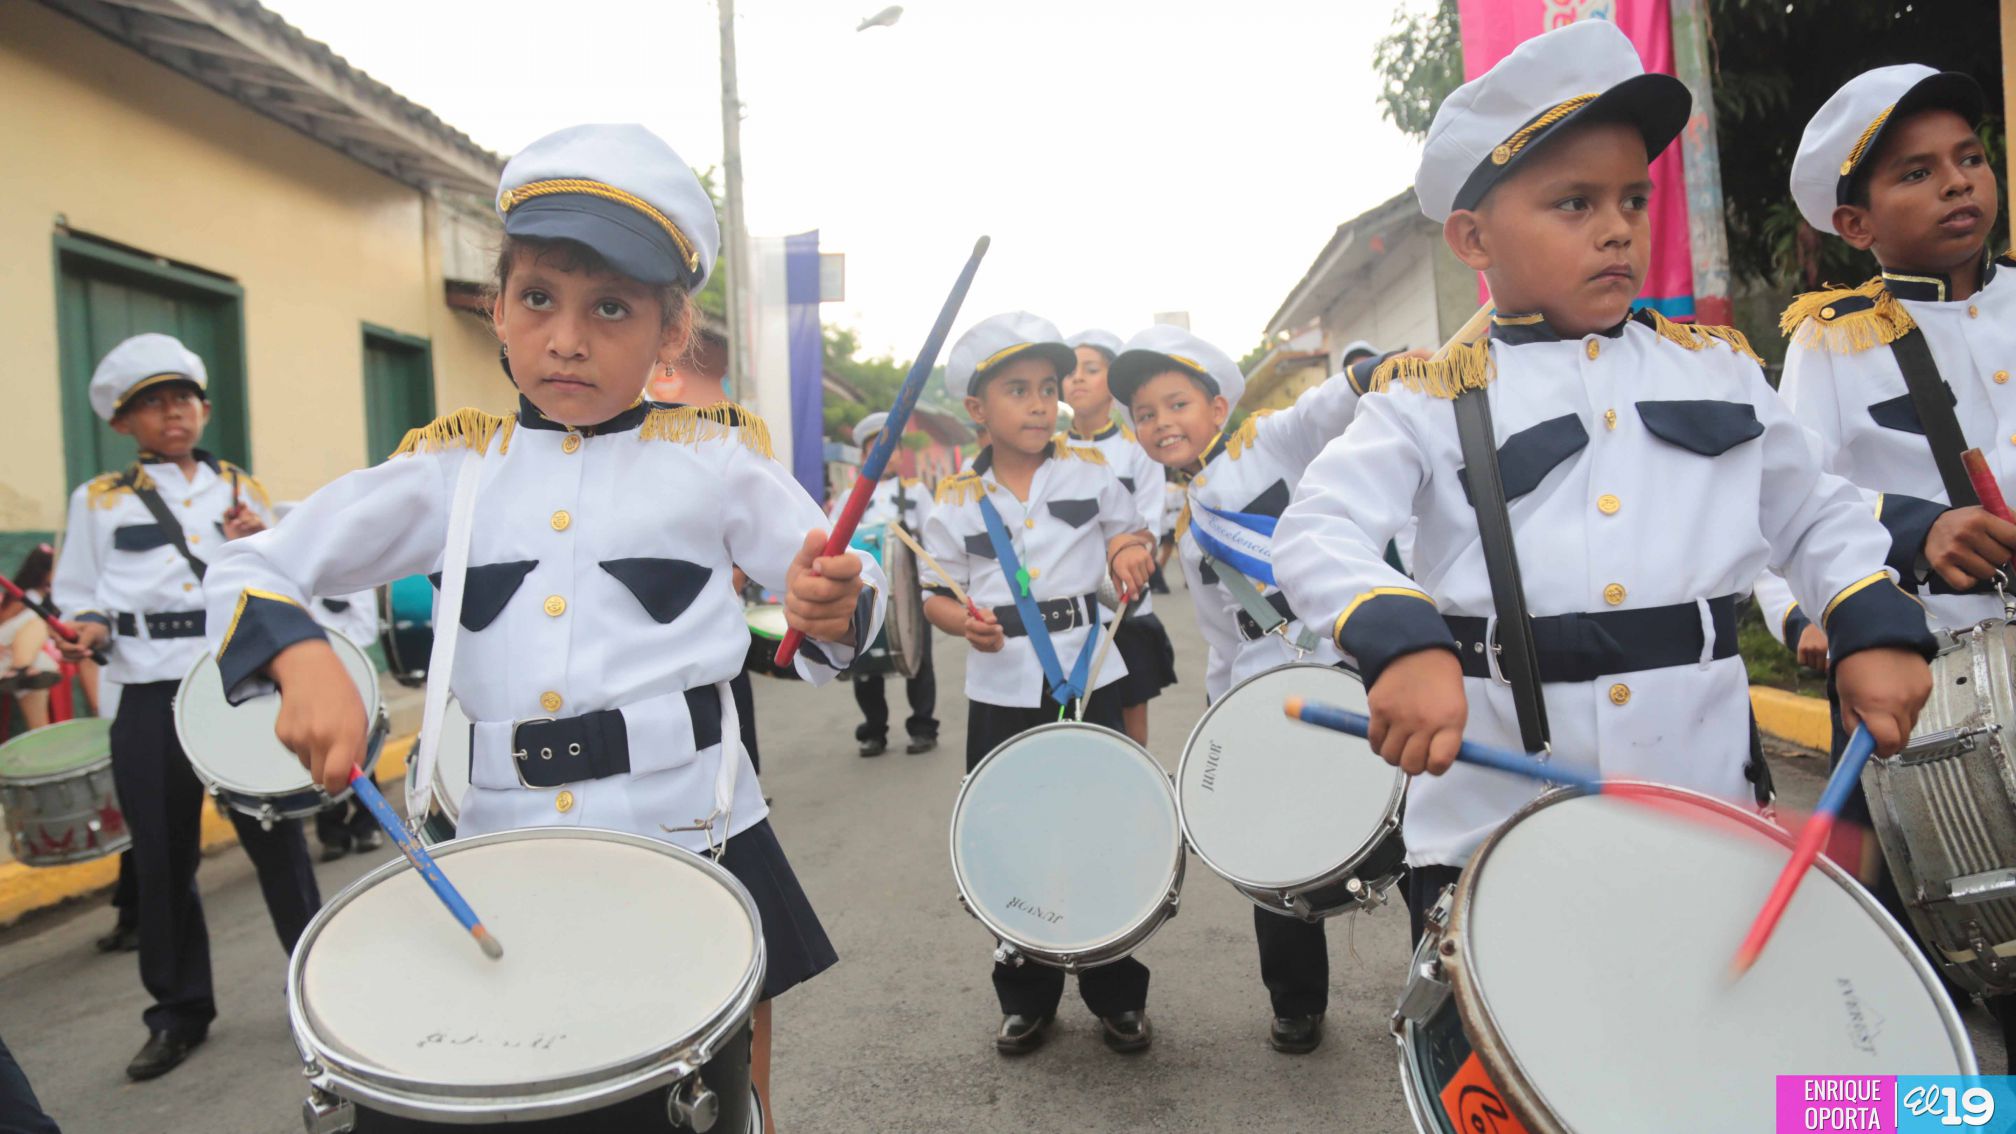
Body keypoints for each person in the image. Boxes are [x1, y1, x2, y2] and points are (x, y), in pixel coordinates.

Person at [200, 123, 881, 1133]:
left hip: (692, 838)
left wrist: (835, 606)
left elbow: (831, 606)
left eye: (611, 308)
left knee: (722, 1103)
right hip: (502, 848)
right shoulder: (449, 473)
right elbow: (251, 562)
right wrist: (300, 656)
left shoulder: (717, 462)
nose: (568, 337)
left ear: (668, 335)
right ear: (496, 313)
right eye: (539, 300)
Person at [1270, 19, 1937, 945]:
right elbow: (1319, 528)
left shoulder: (1717, 371)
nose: (1618, 227)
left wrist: (1869, 617)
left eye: (1632, 198)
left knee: (1713, 1067)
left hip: (1701, 803)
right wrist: (1399, 636)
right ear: (1473, 237)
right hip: (1494, 825)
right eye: (1574, 204)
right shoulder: (1425, 398)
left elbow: (1815, 512)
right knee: (1519, 1080)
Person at [1753, 62, 2013, 1063]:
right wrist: (1910, 531)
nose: (1958, 184)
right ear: (1856, 225)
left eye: (1970, 159)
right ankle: (1912, 1108)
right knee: (1897, 970)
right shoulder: (1832, 345)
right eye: (1917, 173)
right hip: (1910, 684)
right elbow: (1787, 491)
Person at [50, 333, 323, 1081]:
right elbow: (77, 594)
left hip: (235, 684)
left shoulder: (245, 489)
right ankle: (178, 1013)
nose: (173, 414)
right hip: (145, 691)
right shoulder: (99, 501)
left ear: (203, 408)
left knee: (279, 846)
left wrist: (259, 542)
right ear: (122, 423)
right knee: (163, 858)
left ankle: (318, 995)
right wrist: (87, 627)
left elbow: (286, 580)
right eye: (152, 404)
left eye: (183, 399)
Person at [1114, 328, 1393, 1054]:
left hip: (1347, 665)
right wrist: (1220, 715)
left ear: (1217, 406)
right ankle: (1296, 1003)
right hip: (1267, 696)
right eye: (1145, 414)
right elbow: (1224, 638)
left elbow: (1326, 407)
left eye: (1177, 403)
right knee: (1277, 855)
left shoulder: (1271, 444)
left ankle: (1447, 978)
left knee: (1413, 831)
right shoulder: (1188, 511)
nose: (1161, 422)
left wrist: (1369, 371)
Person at [919, 311, 1156, 1055]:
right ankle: (1025, 993)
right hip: (1002, 683)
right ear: (977, 410)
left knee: (1102, 831)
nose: (1037, 403)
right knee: (1010, 836)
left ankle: (1116, 989)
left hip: (1090, 670)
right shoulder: (951, 500)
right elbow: (936, 594)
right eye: (1016, 389)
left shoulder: (1091, 472)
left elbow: (1129, 530)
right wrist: (964, 624)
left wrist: (1127, 554)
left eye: (1047, 388)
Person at [1061, 329, 1177, 745]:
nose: (1077, 379)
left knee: (1129, 733)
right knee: (1076, 730)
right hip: (1066, 614)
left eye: (1090, 370)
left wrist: (1113, 586)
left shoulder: (1138, 449)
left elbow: (1147, 525)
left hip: (1123, 608)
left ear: (1112, 382)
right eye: (1071, 371)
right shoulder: (1050, 451)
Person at [832, 411, 938, 756]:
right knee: (864, 664)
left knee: (919, 659)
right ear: (864, 456)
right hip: (864, 593)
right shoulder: (850, 498)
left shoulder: (917, 492)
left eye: (892, 447)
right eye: (876, 447)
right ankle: (874, 730)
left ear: (900, 453)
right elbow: (832, 539)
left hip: (909, 591)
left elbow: (933, 541)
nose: (886, 454)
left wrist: (929, 586)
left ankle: (923, 727)